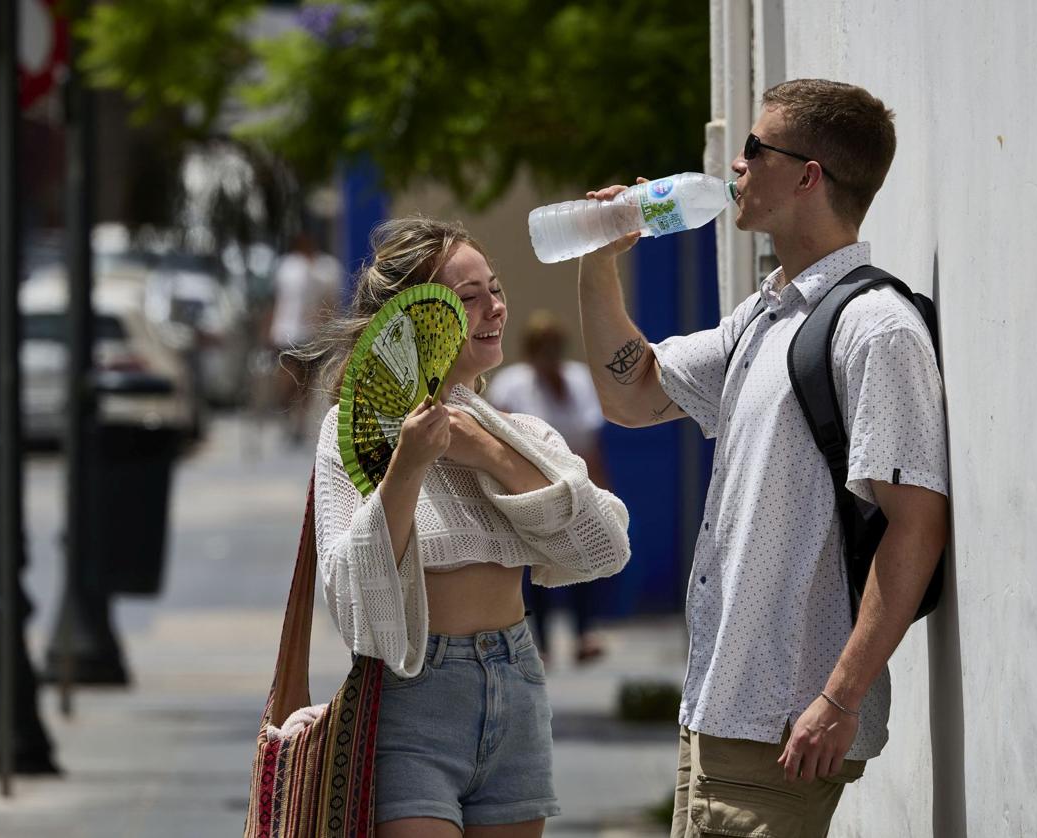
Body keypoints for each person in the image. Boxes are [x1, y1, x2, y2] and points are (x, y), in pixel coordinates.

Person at [577, 79, 949, 836]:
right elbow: (633, 393)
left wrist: (838, 698)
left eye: (754, 149)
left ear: (808, 174)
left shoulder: (875, 329)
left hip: (783, 719)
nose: (735, 167)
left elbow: (917, 525)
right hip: (720, 707)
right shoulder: (768, 312)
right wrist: (597, 261)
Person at [306, 217, 632, 837]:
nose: (495, 308)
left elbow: (604, 547)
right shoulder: (355, 438)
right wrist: (405, 469)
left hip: (517, 684)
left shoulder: (519, 431)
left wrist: (488, 453)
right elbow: (355, 604)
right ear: (414, 320)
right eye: (468, 297)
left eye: (496, 288)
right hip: (412, 699)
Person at [486, 310, 610, 665]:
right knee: (532, 563)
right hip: (525, 484)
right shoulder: (511, 383)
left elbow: (590, 441)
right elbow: (496, 436)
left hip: (573, 483)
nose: (549, 355)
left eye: (554, 347)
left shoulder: (580, 380)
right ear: (530, 351)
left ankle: (584, 633)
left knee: (584, 553)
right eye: (542, 348)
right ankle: (540, 642)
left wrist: (600, 487)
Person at [269, 231, 342, 444]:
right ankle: (286, 411)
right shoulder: (287, 267)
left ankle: (299, 422)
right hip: (286, 332)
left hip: (312, 335)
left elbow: (330, 301)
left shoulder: (326, 268)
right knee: (288, 377)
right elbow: (277, 299)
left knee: (307, 382)